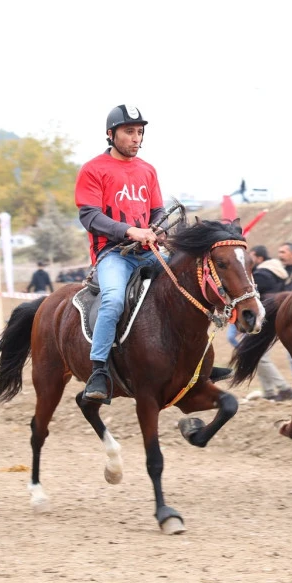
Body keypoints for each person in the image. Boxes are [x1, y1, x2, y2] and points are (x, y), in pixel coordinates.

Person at [74, 104, 166, 403]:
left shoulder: (148, 170)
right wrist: (130, 231)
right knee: (113, 300)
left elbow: (157, 211)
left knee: (188, 283)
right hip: (113, 254)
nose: (136, 138)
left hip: (148, 251)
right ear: (110, 134)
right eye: (129, 132)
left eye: (139, 132)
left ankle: (199, 360)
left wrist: (158, 228)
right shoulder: (93, 169)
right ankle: (99, 370)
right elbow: (90, 216)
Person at [249, 246, 292, 400]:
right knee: (259, 354)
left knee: (257, 354)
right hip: (276, 316)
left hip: (263, 317)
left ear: (260, 258)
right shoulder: (278, 271)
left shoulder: (261, 275)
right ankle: (268, 391)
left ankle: (283, 388)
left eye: (252, 256)